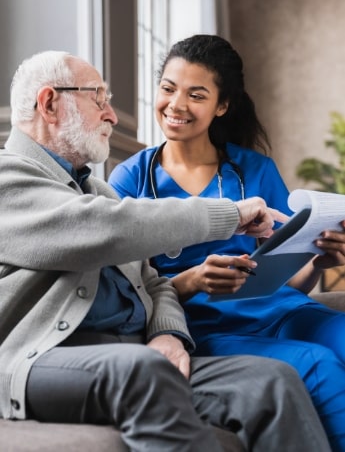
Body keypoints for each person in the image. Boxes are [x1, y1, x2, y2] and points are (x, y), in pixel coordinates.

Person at [0, 50, 331, 452]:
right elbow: (104, 229)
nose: (112, 115)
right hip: (39, 358)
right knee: (143, 371)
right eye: (99, 99)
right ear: (50, 103)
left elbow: (153, 282)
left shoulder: (97, 191)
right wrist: (229, 215)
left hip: (133, 350)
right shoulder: (8, 176)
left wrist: (169, 332)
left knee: (273, 381)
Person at [108, 34, 345, 451]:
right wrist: (194, 280)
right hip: (208, 328)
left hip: (281, 311)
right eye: (168, 88)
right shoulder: (129, 181)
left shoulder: (254, 168)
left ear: (221, 105)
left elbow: (282, 281)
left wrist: (319, 262)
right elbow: (125, 292)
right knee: (319, 365)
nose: (176, 105)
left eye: (195, 94)